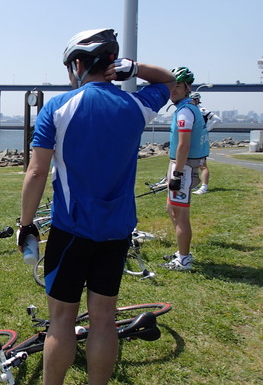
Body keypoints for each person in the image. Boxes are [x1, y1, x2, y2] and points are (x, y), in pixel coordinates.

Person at [18, 28, 174, 384]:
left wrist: (27, 223)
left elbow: (37, 171)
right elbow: (169, 79)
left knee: (61, 320)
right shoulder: (136, 106)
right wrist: (131, 69)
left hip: (70, 231)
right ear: (109, 63)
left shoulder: (59, 107)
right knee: (104, 317)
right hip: (116, 231)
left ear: (76, 64)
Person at [162, 67, 209, 271]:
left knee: (181, 215)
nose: (173, 90)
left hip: (184, 168)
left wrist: (177, 173)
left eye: (178, 86)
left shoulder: (185, 112)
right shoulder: (187, 108)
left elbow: (184, 145)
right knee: (171, 208)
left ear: (187, 87)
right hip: (180, 165)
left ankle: (184, 259)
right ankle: (182, 251)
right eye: (171, 85)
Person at [190, 91, 222, 195]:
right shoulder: (193, 110)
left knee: (202, 164)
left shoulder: (201, 110)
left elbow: (217, 119)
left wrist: (206, 129)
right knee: (192, 163)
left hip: (199, 139)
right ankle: (195, 184)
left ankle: (204, 187)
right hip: (194, 138)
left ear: (196, 100)